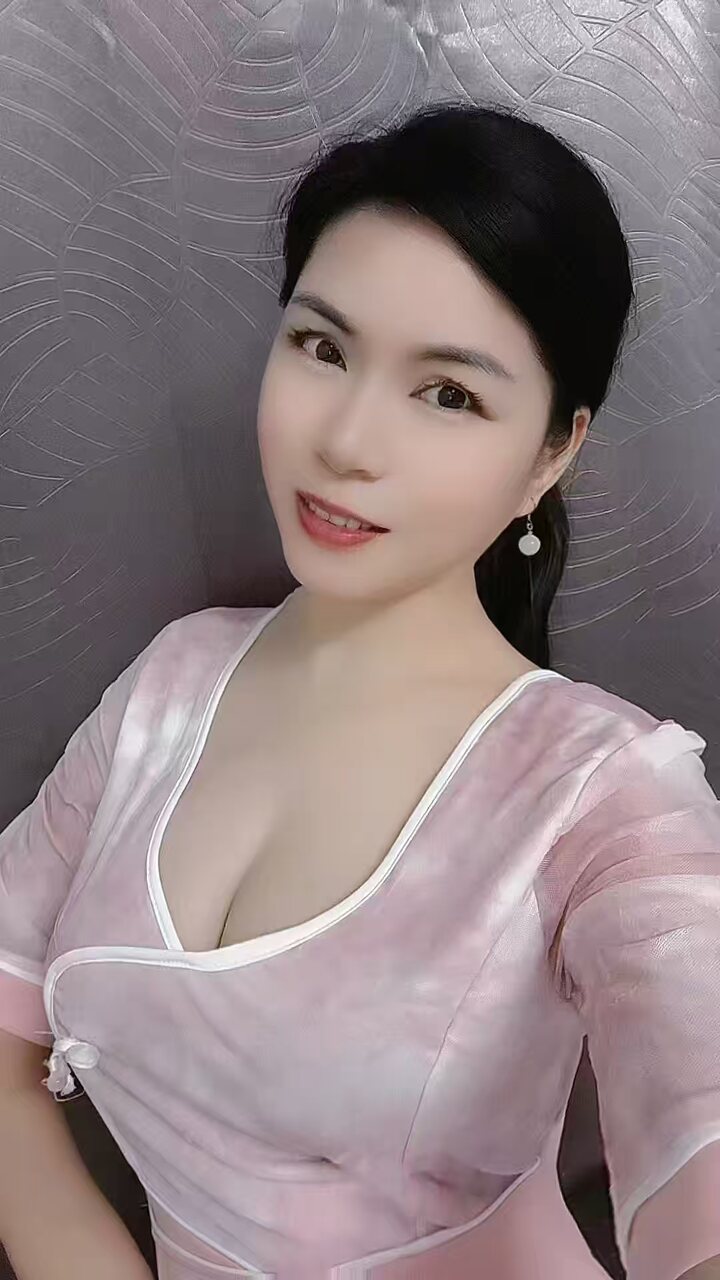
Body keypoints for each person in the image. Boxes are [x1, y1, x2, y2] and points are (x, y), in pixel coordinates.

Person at [0, 100, 718, 1280]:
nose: (346, 441)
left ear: (551, 453)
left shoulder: (605, 798)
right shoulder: (171, 684)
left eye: (450, 395)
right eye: (323, 347)